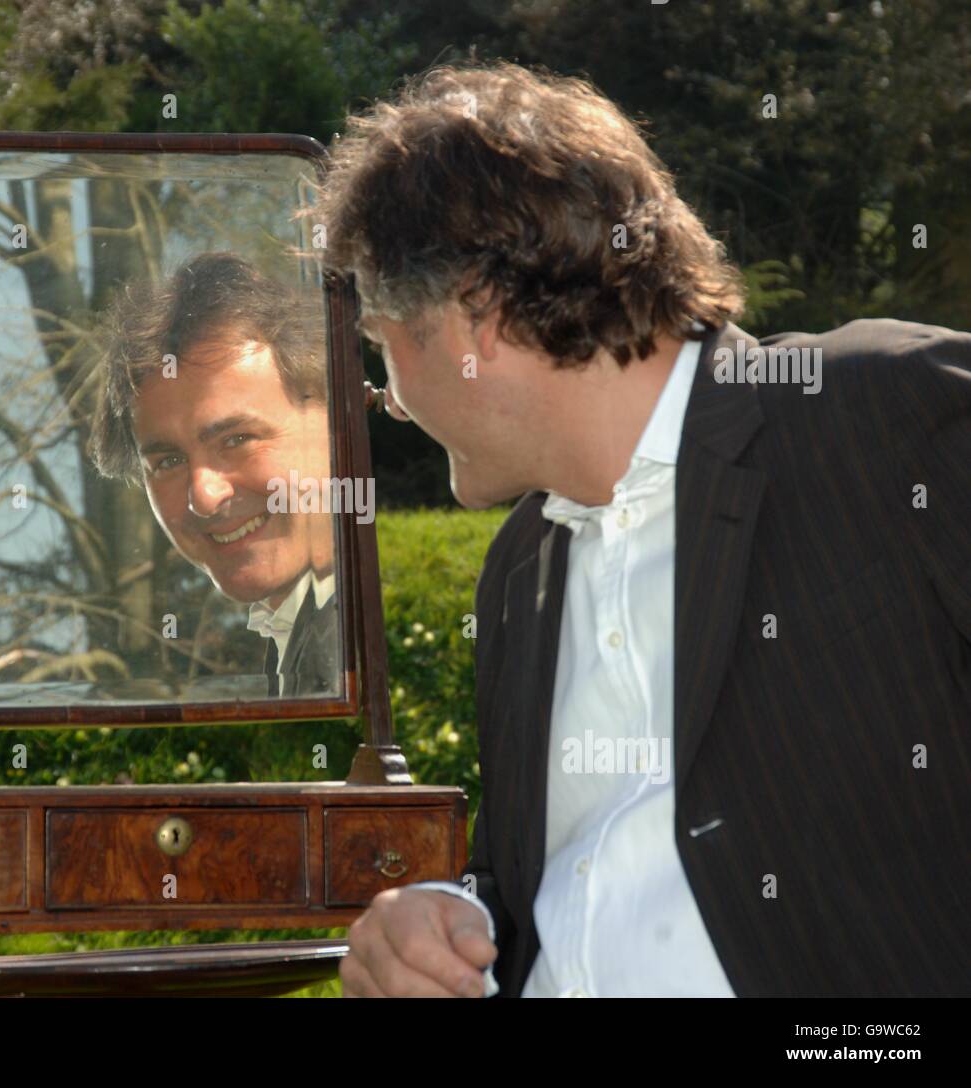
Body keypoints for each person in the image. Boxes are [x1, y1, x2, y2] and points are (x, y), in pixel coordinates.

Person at [316, 61, 971, 997]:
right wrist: (451, 914)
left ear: (476, 320)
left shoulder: (879, 413)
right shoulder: (517, 575)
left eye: (384, 343)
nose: (389, 398)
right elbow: (561, 892)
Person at [90, 252, 339, 697]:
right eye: (167, 462)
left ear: (336, 422)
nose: (203, 496)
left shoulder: (375, 634)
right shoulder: (303, 635)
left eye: (238, 439)